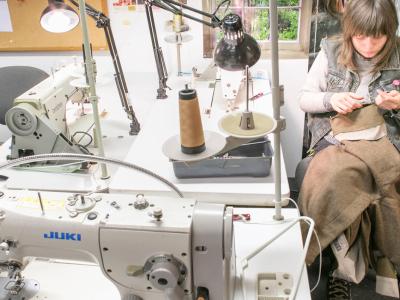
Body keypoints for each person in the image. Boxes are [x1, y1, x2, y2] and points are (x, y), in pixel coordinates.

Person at [298, 0, 400, 299]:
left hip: (386, 135)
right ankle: (341, 267)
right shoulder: (330, 50)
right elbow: (305, 99)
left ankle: (344, 268)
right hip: (339, 135)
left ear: (390, 32)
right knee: (337, 178)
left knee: (364, 178)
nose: (368, 45)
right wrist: (332, 99)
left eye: (378, 37)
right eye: (360, 37)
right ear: (349, 32)